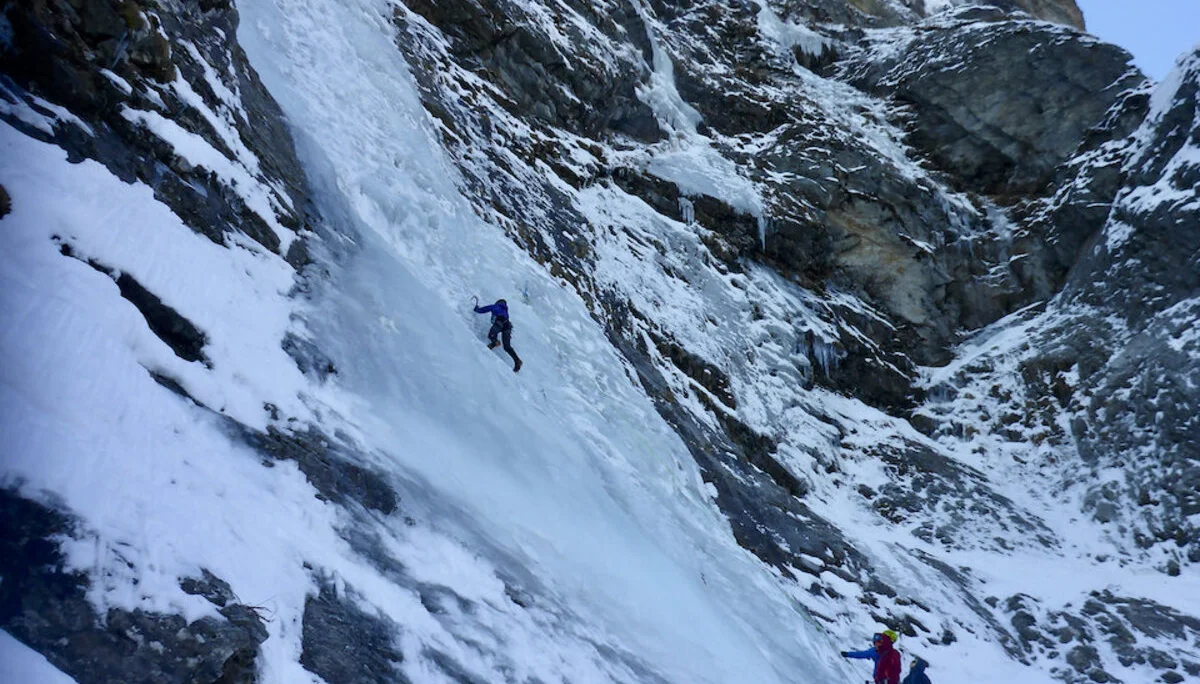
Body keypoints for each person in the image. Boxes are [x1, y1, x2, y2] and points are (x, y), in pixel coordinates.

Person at [474, 298, 522, 372]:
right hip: (508, 326)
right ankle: (517, 361)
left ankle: (494, 343)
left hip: (500, 322)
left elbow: (485, 309)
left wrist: (477, 309)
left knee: (491, 335)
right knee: (507, 347)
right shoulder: (506, 310)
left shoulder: (496, 306)